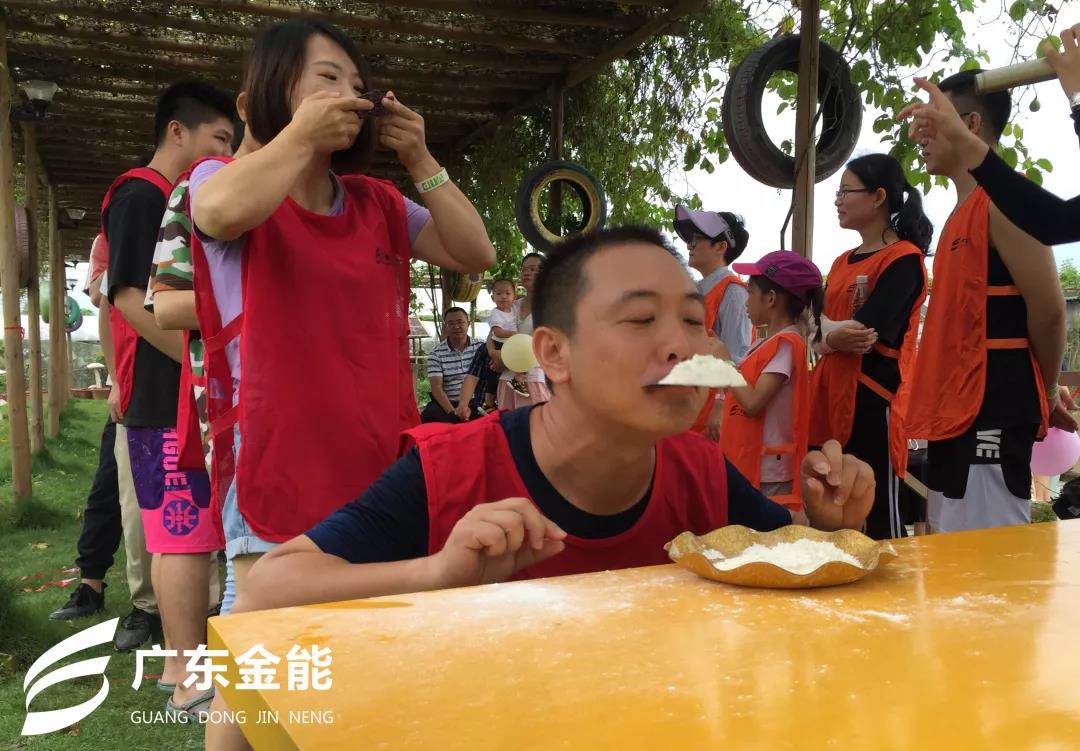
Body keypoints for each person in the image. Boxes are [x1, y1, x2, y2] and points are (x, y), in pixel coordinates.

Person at [232, 225, 875, 610]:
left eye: (691, 319)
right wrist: (438, 573)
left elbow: (796, 556)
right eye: (641, 318)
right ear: (553, 354)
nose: (682, 346)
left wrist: (830, 523)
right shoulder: (452, 471)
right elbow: (269, 587)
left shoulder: (701, 474)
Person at [188, 17, 493, 631]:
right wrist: (299, 137)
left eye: (356, 84)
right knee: (271, 637)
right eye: (327, 78)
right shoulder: (218, 179)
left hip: (376, 450)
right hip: (277, 453)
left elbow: (474, 251)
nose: (349, 94)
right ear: (264, 94)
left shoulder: (376, 201)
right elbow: (218, 213)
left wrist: (421, 158)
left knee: (368, 630)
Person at [103, 79, 234, 714]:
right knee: (183, 533)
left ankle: (177, 667)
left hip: (165, 395)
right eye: (220, 139)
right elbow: (131, 298)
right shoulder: (144, 195)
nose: (227, 156)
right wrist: (207, 366)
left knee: (173, 533)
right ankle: (188, 676)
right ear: (177, 131)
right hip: (165, 398)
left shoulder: (160, 195)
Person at [904, 69, 1074, 533]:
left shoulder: (1003, 201)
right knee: (950, 557)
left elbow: (1049, 310)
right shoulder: (959, 212)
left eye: (931, 120)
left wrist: (1045, 388)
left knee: (991, 559)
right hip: (952, 413)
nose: (919, 134)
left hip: (992, 407)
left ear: (971, 124)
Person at [808, 154, 932, 539]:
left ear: (878, 197)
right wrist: (829, 336)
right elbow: (813, 326)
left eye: (846, 191)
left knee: (877, 515)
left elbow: (865, 333)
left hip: (874, 401)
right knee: (831, 507)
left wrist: (823, 334)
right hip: (829, 395)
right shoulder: (840, 262)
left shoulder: (904, 260)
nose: (838, 200)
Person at [899, 22, 1080, 245]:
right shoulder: (961, 212)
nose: (923, 137)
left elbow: (1055, 224)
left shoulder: (992, 208)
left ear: (972, 122)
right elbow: (1055, 223)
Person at [50, 235, 121, 620]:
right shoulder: (113, 233)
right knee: (109, 484)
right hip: (135, 375)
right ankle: (91, 584)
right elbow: (98, 295)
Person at [721, 251, 823, 511]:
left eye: (750, 292)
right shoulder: (765, 344)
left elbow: (754, 402)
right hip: (752, 462)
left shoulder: (786, 344)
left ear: (771, 298)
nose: (746, 301)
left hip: (769, 472)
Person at [673, 206, 752, 440]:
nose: (690, 245)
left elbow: (737, 356)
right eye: (689, 239)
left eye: (697, 239)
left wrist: (721, 403)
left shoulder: (733, 292)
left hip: (708, 418)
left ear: (721, 247)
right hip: (689, 409)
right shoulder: (697, 290)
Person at [490, 253, 550, 409]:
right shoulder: (512, 305)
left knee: (535, 422)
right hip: (507, 380)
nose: (527, 273)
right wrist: (493, 353)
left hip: (534, 378)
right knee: (507, 423)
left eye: (533, 269)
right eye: (524, 269)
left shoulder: (550, 307)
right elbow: (492, 334)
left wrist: (508, 360)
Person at [421, 307, 485, 423]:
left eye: (460, 322)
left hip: (476, 402)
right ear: (445, 326)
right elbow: (437, 388)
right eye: (451, 323)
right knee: (428, 414)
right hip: (449, 403)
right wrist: (453, 413)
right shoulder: (436, 354)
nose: (456, 326)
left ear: (468, 323)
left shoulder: (481, 347)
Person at [488, 278, 531, 397]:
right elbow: (496, 332)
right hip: (501, 343)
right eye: (499, 294)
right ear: (492, 298)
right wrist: (514, 334)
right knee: (522, 357)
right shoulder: (496, 313)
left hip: (509, 343)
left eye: (507, 293)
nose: (503, 297)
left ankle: (518, 378)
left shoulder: (513, 309)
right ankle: (517, 379)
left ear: (514, 297)